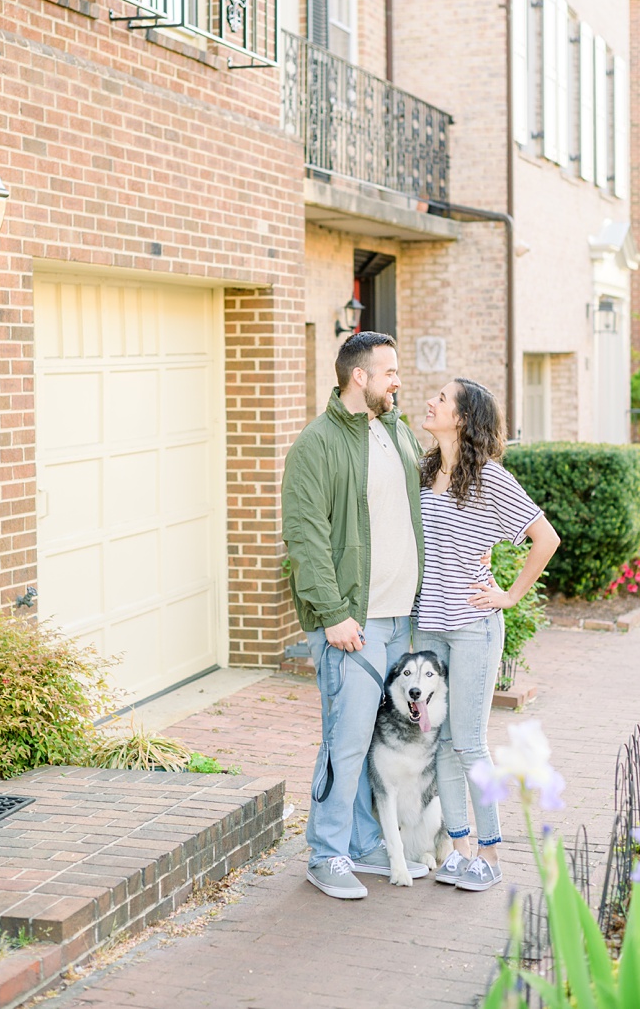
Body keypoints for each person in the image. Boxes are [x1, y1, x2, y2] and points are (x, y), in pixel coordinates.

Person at [281, 330, 426, 900]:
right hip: (351, 624)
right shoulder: (315, 445)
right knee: (344, 739)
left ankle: (365, 845)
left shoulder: (396, 431)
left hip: (399, 620)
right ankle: (326, 853)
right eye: (389, 371)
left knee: (376, 740)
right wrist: (333, 613)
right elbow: (305, 536)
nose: (397, 380)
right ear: (358, 376)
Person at [410, 377, 557, 893]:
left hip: (472, 626)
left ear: (465, 418)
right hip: (429, 624)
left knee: (468, 742)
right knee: (440, 743)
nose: (430, 402)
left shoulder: (491, 479)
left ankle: (491, 857)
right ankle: (460, 849)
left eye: (442, 399)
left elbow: (546, 538)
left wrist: (510, 595)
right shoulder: (425, 471)